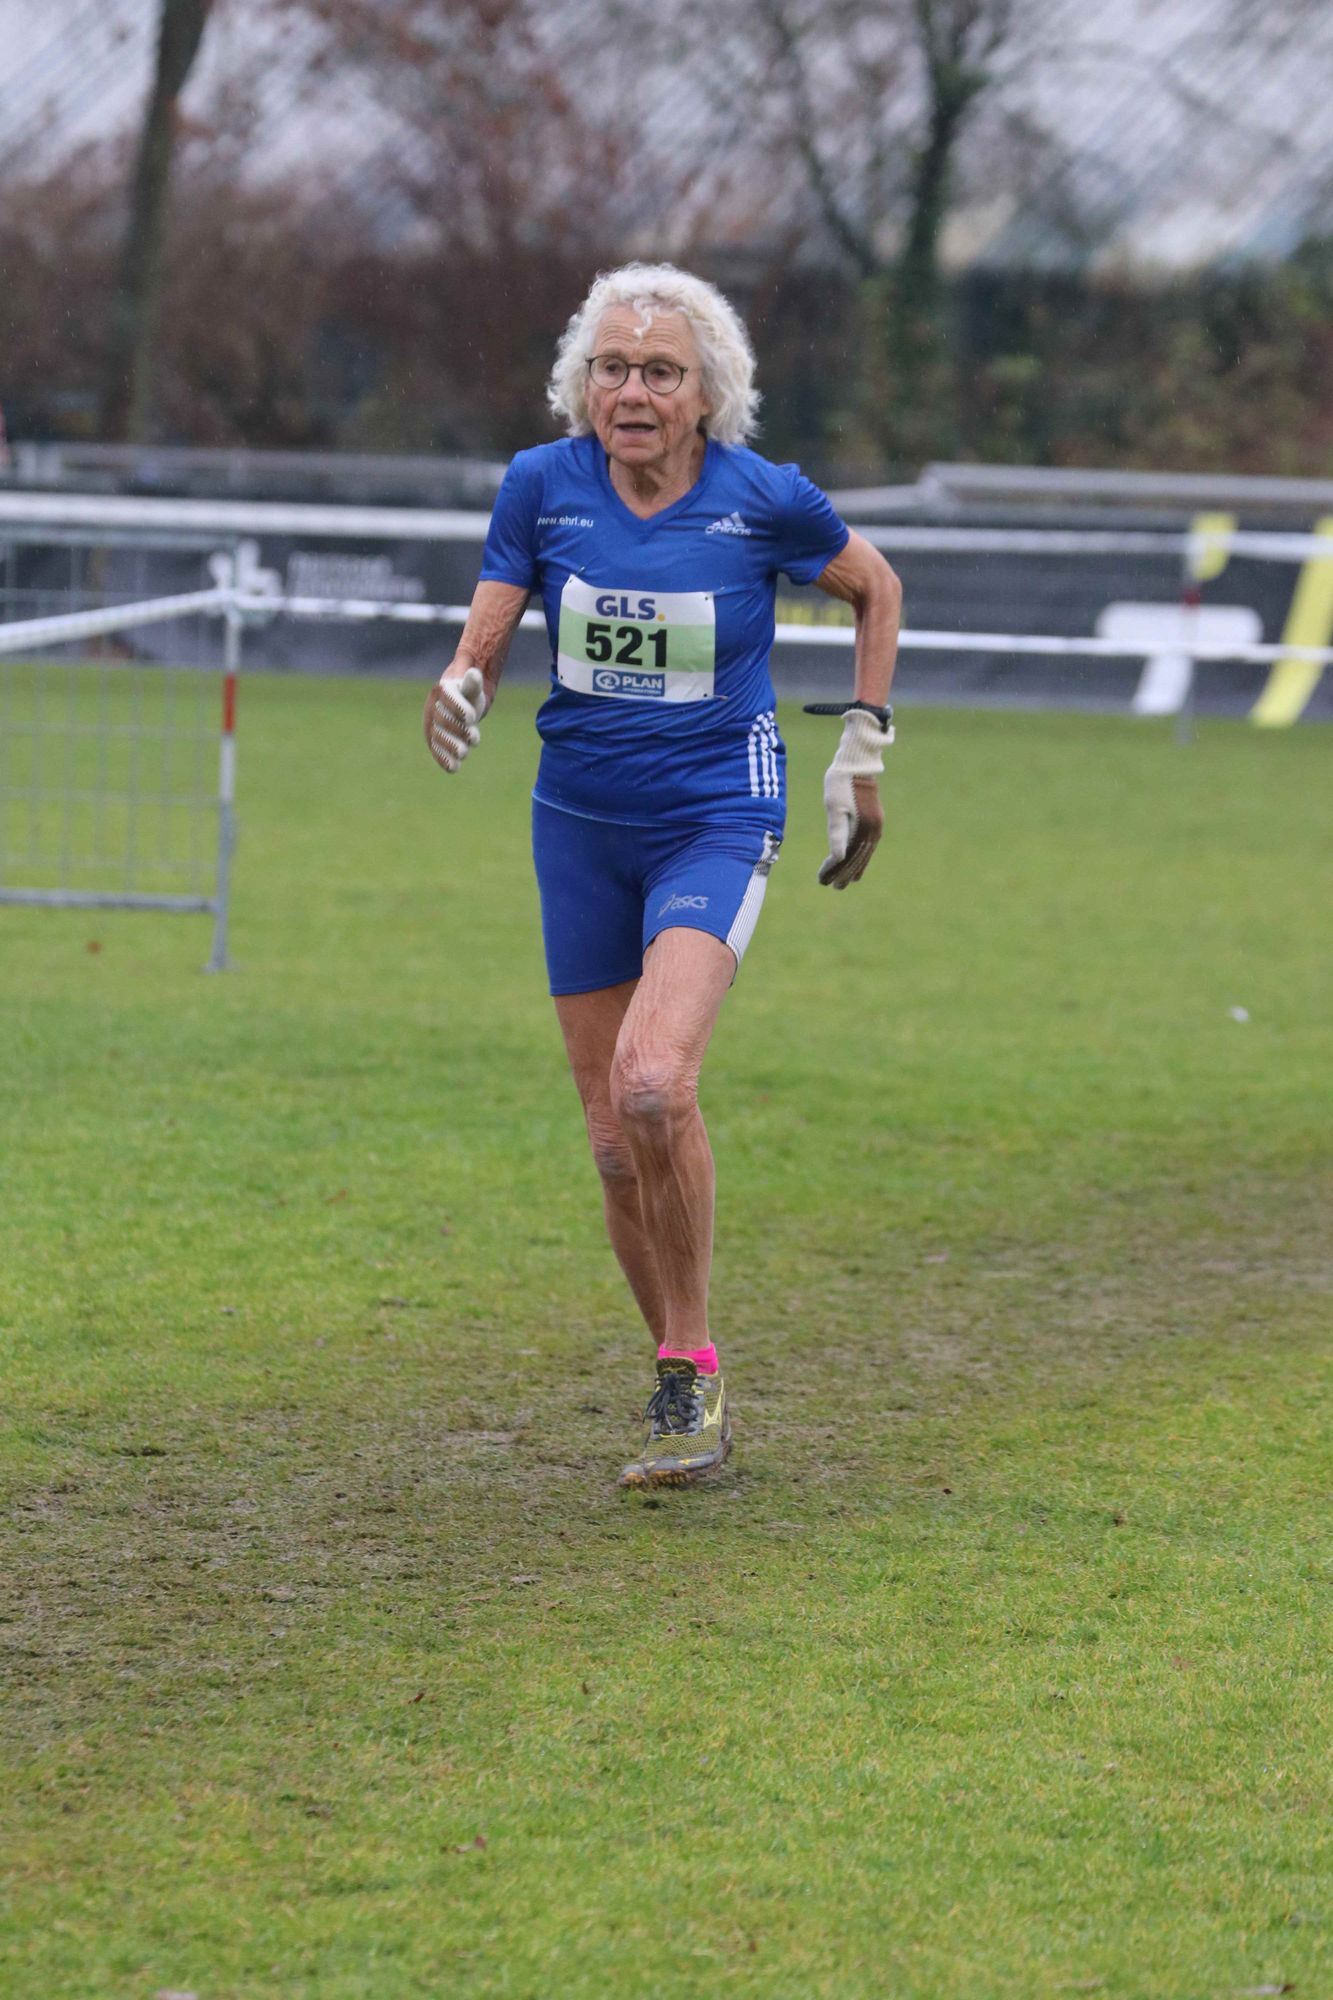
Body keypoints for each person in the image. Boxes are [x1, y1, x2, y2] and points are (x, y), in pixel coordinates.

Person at [424, 262, 901, 1489]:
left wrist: (861, 745)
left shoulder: (762, 498)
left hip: (714, 817)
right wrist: (464, 679)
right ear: (581, 382)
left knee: (651, 1083)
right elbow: (493, 617)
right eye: (611, 368)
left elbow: (876, 585)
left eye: (659, 372)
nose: (631, 391)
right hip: (578, 824)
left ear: (706, 393)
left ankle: (692, 1361)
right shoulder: (542, 484)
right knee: (609, 1143)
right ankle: (681, 1377)